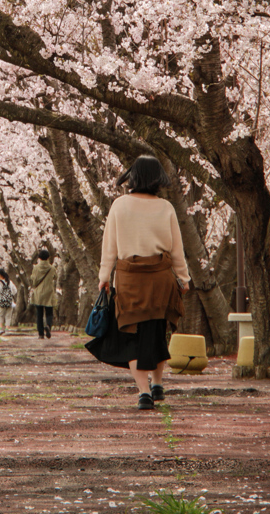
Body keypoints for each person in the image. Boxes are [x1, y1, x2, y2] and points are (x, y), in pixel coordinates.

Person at [85, 155, 191, 411]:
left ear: (133, 176)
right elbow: (177, 248)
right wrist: (184, 277)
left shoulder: (119, 206)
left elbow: (109, 247)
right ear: (158, 178)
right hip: (161, 279)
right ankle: (157, 384)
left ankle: (144, 393)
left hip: (130, 280)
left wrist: (104, 278)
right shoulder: (165, 207)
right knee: (156, 334)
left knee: (131, 335)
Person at [29, 248, 57, 339]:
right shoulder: (52, 268)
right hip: (49, 292)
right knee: (49, 312)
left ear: (39, 258)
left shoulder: (36, 268)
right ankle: (48, 325)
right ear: (48, 257)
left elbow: (34, 281)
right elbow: (55, 277)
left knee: (39, 314)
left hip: (39, 293)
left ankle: (41, 334)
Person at [0, 269, 17, 336]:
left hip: (2, 301)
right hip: (10, 301)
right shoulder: (10, 282)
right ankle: (7, 328)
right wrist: (9, 295)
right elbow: (15, 291)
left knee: (0, 315)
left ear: (0, 275)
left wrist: (0, 295)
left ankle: (0, 328)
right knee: (8, 315)